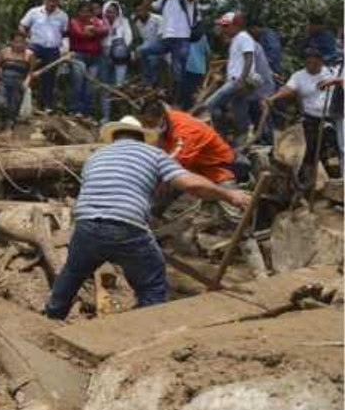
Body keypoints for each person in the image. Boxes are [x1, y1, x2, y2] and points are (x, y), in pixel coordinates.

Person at [43, 117, 251, 320]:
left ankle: (51, 317)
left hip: (86, 224)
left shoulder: (96, 157)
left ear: (115, 137)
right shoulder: (154, 154)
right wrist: (230, 195)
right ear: (142, 138)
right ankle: (148, 329)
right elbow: (190, 184)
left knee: (72, 273)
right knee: (153, 284)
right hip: (126, 226)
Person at [263, 48, 344, 188]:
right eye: (309, 63)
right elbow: (288, 89)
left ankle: (337, 177)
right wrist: (272, 98)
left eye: (315, 63)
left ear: (321, 62)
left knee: (339, 147)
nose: (312, 66)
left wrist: (333, 81)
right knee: (308, 149)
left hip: (332, 117)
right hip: (311, 119)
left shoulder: (331, 72)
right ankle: (308, 181)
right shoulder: (299, 76)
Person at [205, 11, 276, 147]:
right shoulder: (238, 41)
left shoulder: (244, 39)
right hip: (247, 85)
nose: (222, 30)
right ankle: (239, 143)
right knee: (240, 114)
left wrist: (243, 80)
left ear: (235, 26)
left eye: (225, 27)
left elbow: (251, 62)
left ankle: (223, 137)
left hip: (254, 87)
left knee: (210, 105)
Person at [138, 100, 236, 184]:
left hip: (218, 170)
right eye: (144, 123)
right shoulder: (167, 120)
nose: (146, 127)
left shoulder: (185, 132)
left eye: (150, 123)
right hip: (196, 168)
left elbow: (174, 162)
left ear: (162, 117)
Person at [138, 0, 198, 106]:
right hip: (165, 40)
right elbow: (144, 8)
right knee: (143, 51)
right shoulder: (164, 0)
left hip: (181, 39)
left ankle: (178, 103)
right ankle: (148, 82)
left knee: (178, 73)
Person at [18, 0, 68, 111]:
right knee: (25, 67)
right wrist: (25, 38)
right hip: (35, 45)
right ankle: (19, 98)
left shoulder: (63, 16)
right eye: (49, 0)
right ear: (44, 0)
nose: (51, 3)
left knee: (49, 77)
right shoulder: (34, 12)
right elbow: (22, 25)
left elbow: (65, 34)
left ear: (58, 1)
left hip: (53, 49)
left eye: (54, 1)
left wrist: (65, 48)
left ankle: (46, 105)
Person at [66, 0, 109, 116]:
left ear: (91, 13)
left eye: (88, 11)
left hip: (95, 57)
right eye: (82, 11)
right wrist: (95, 32)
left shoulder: (96, 21)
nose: (85, 14)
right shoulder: (73, 21)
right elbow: (80, 33)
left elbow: (105, 30)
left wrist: (92, 30)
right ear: (78, 12)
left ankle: (86, 112)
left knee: (90, 86)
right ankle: (74, 110)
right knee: (77, 83)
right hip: (78, 55)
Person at [0, 31, 36, 131]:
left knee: (14, 105)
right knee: (0, 102)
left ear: (25, 43)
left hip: (18, 82)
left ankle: (10, 122)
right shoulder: (4, 52)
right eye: (16, 42)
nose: (18, 45)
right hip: (3, 81)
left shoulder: (29, 55)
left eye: (21, 42)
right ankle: (0, 119)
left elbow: (31, 72)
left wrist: (27, 81)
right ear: (11, 42)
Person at [100, 1, 134, 122]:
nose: (111, 14)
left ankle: (123, 118)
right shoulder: (100, 22)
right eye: (108, 11)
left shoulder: (123, 22)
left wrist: (123, 47)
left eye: (114, 11)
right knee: (105, 87)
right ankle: (106, 116)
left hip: (120, 56)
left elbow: (129, 38)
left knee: (120, 86)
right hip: (104, 56)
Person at [131, 2, 165, 85]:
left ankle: (153, 82)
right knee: (137, 53)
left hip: (160, 45)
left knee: (151, 58)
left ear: (148, 9)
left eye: (142, 10)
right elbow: (137, 39)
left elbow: (161, 38)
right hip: (146, 46)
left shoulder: (158, 19)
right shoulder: (137, 21)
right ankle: (145, 80)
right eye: (137, 11)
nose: (140, 13)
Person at [179, 34, 211, 110]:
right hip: (199, 70)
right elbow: (208, 53)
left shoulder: (183, 35)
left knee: (187, 96)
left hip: (187, 68)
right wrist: (206, 70)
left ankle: (188, 114)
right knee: (195, 96)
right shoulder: (202, 36)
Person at [248, 20, 284, 84]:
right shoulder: (260, 37)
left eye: (252, 30)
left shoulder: (269, 35)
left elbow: (274, 53)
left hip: (272, 69)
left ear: (255, 27)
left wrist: (261, 64)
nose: (252, 33)